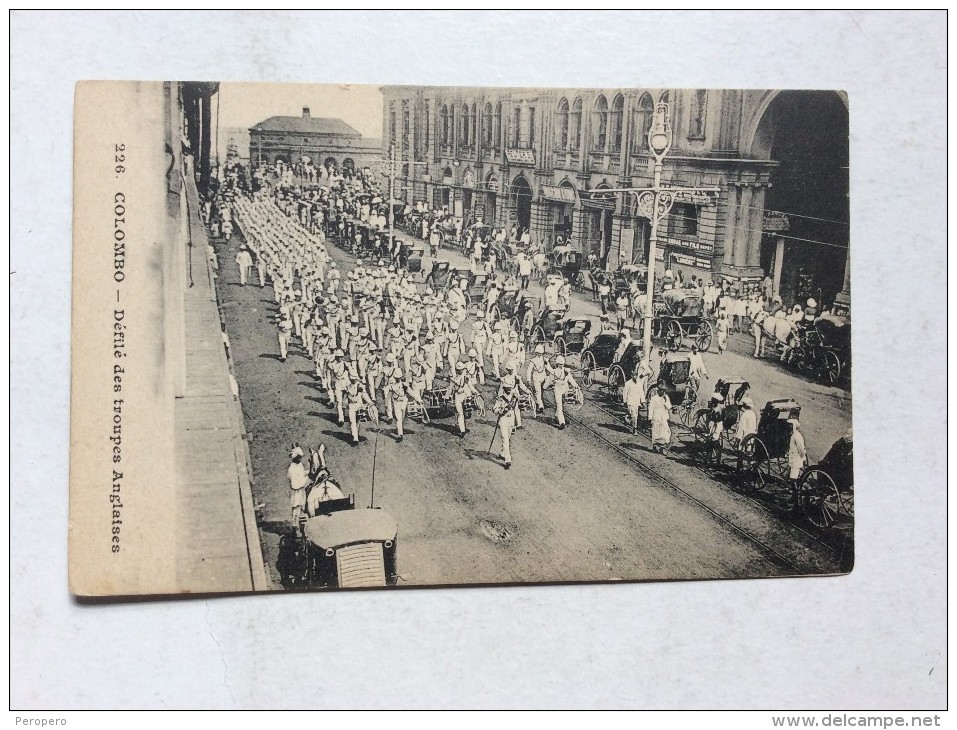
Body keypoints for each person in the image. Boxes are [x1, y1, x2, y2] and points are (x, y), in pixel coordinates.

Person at [493, 374, 522, 469]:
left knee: (508, 438)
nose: (509, 389)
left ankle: (502, 452)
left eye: (510, 387)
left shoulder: (514, 395)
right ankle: (508, 460)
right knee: (505, 439)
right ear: (504, 388)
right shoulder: (500, 397)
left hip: (511, 419)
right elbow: (495, 409)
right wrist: (499, 411)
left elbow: (519, 398)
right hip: (503, 419)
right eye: (507, 388)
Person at [549, 355, 579, 430]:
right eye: (560, 364)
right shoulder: (554, 372)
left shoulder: (566, 371)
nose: (561, 366)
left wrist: (576, 385)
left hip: (565, 389)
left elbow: (571, 379)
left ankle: (557, 416)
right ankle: (562, 422)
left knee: (561, 403)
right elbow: (549, 380)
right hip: (557, 389)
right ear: (557, 364)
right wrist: (545, 386)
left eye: (562, 364)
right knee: (559, 405)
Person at [287, 445, 310, 523]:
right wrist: (306, 480)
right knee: (296, 510)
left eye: (300, 457)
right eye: (299, 457)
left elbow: (302, 473)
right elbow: (295, 484)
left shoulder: (299, 465)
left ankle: (302, 527)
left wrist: (309, 472)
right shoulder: (291, 469)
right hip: (296, 493)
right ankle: (295, 527)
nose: (300, 459)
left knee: (302, 509)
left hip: (301, 491)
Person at [648, 385, 673, 454]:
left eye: (664, 391)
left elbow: (669, 407)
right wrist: (650, 418)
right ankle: (654, 447)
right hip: (656, 417)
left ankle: (662, 448)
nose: (663, 392)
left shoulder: (666, 397)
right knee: (656, 433)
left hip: (664, 417)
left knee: (665, 433)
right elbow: (651, 408)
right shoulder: (654, 398)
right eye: (661, 390)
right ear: (658, 390)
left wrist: (666, 400)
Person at [621, 370, 645, 435]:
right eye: (634, 375)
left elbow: (641, 393)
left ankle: (626, 417)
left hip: (637, 402)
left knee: (635, 415)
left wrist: (643, 401)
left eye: (636, 375)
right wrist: (625, 401)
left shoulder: (639, 383)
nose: (635, 376)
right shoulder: (628, 383)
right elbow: (625, 393)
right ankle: (635, 430)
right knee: (634, 416)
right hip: (630, 402)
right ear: (631, 376)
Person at [787, 417, 808, 487]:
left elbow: (801, 449)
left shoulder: (796, 436)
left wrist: (803, 458)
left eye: (790, 425)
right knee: (793, 476)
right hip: (794, 459)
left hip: (796, 460)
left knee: (793, 479)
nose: (789, 426)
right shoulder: (793, 435)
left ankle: (795, 494)